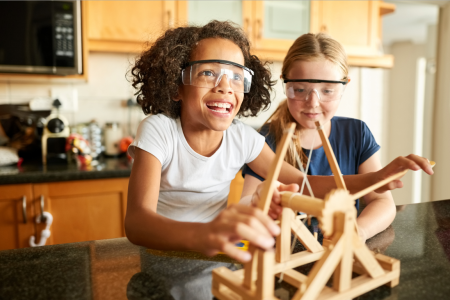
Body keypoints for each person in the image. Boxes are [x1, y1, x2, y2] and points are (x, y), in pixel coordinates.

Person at [125, 21, 433, 264]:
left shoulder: (243, 138)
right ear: (175, 86)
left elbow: (306, 184)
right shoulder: (158, 130)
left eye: (236, 77)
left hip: (215, 255)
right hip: (163, 258)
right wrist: (209, 233)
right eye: (208, 72)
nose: (225, 87)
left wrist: (376, 178)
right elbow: (138, 224)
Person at [240, 32, 433, 243]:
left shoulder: (356, 133)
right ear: (286, 85)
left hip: (342, 253)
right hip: (284, 257)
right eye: (300, 89)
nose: (313, 102)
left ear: (344, 87)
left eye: (327, 91)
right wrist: (259, 199)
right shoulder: (267, 138)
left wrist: (357, 232)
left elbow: (382, 202)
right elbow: (247, 203)